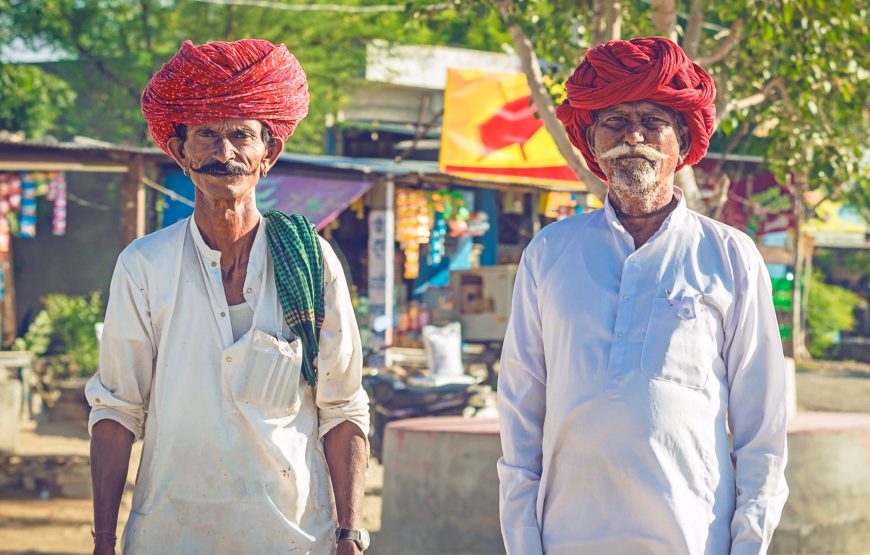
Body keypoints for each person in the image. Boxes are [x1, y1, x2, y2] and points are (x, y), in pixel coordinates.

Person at [497, 37, 788, 555]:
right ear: (591, 139)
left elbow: (761, 429)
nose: (634, 135)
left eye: (653, 120)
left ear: (681, 138)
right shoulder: (550, 253)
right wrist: (523, 542)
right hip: (567, 538)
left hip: (694, 538)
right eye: (614, 120)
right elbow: (520, 415)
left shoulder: (730, 256)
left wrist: (747, 545)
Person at [87, 39, 370, 555]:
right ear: (180, 152)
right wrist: (104, 540)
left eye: (241, 135)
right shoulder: (144, 265)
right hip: (170, 533)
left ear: (270, 154)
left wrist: (350, 534)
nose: (225, 153)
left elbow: (343, 406)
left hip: (295, 536)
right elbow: (117, 408)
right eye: (207, 136)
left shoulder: (310, 262)